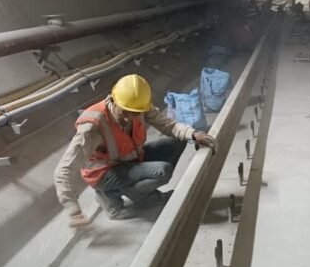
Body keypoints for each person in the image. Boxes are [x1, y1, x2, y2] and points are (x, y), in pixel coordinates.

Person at [54, 74, 215, 227]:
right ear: (113, 99)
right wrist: (73, 211)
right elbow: (64, 169)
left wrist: (192, 134)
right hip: (104, 173)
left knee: (178, 141)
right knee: (162, 171)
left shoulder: (138, 106)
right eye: (124, 112)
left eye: (135, 114)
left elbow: (168, 126)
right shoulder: (93, 127)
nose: (129, 118)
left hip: (129, 160)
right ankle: (111, 195)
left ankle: (142, 196)